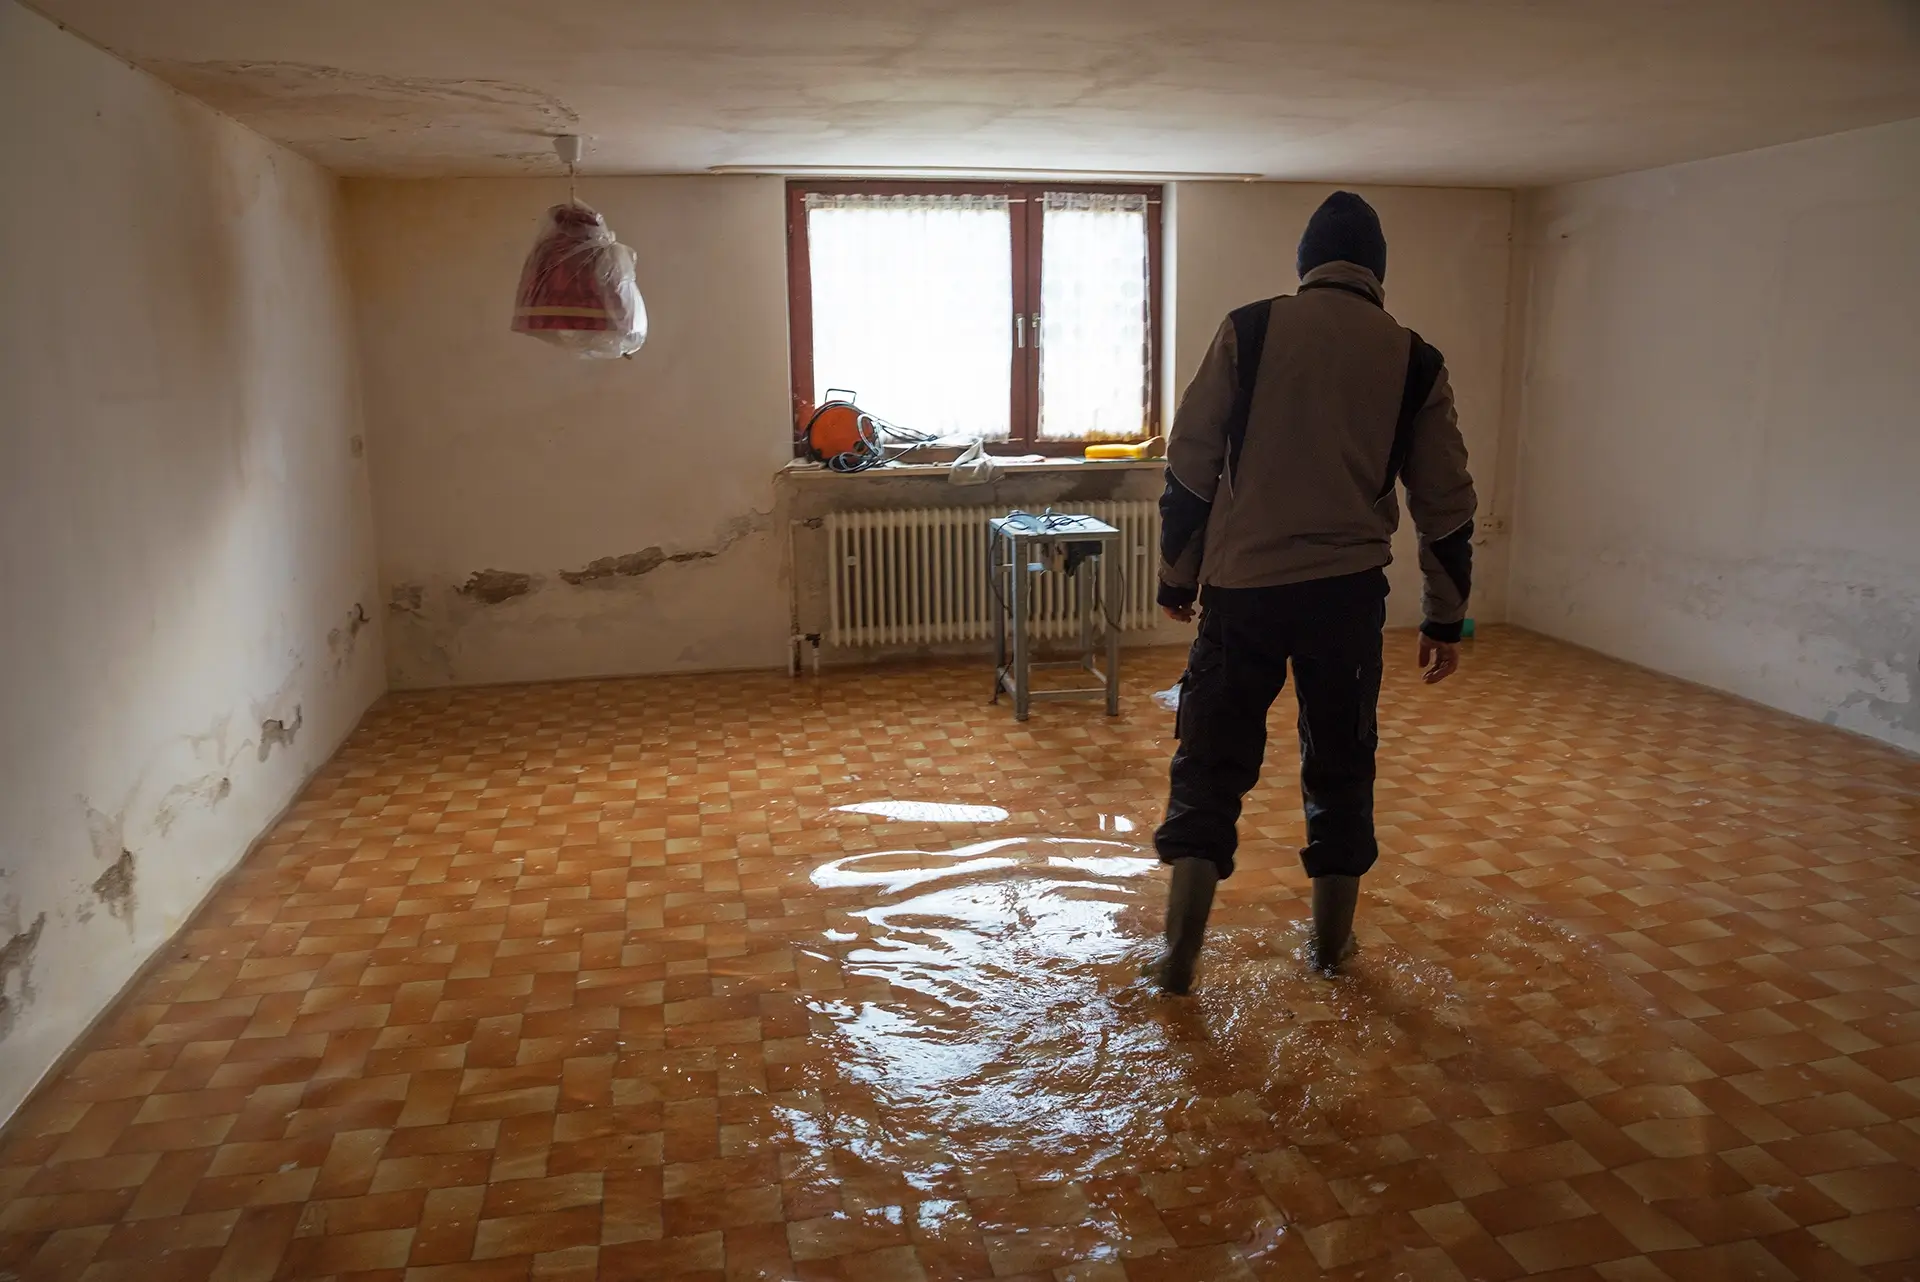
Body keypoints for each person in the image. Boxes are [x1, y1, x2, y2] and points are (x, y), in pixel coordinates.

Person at [1150, 191, 1476, 994]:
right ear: (1379, 275)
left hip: (1243, 590)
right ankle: (1332, 952)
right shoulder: (1414, 357)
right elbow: (1446, 502)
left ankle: (1179, 960)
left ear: (1303, 265)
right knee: (1340, 764)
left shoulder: (1251, 328)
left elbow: (1191, 461)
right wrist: (1446, 617)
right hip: (1346, 598)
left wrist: (1177, 576)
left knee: (1210, 766)